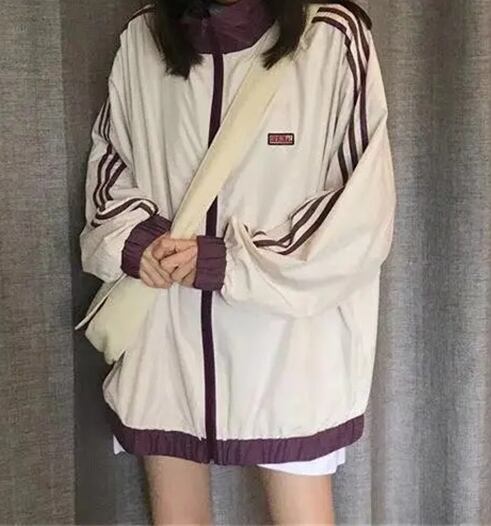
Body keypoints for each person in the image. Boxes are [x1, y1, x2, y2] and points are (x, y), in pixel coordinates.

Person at [79, 0, 396, 523]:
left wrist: (226, 262)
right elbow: (109, 168)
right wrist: (137, 242)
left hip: (288, 352)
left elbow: (359, 212)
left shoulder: (331, 34)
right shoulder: (142, 36)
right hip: (167, 341)